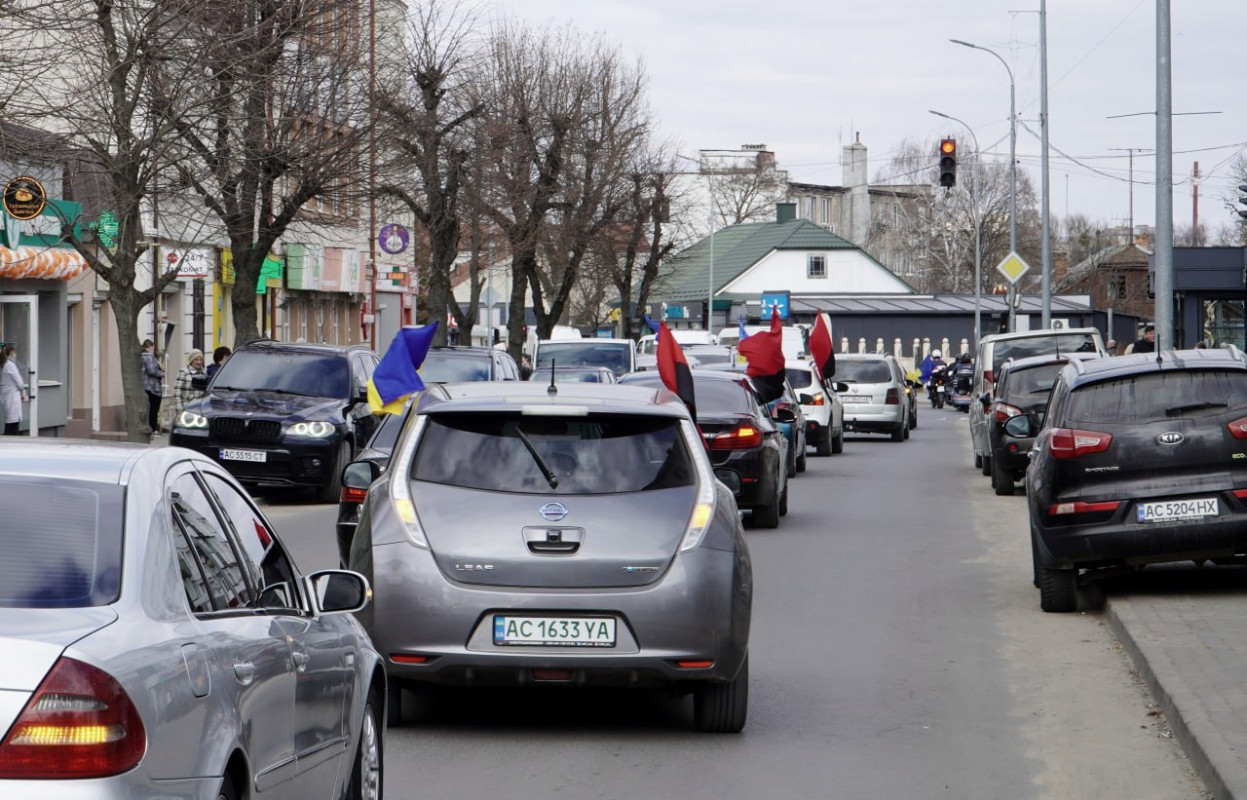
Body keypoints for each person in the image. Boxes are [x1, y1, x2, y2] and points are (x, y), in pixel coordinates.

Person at [0, 344, 29, 435]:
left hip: (7, 397)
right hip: (12, 398)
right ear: (12, 353)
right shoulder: (10, 365)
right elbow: (19, 381)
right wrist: (23, 393)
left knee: (9, 423)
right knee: (13, 425)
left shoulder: (3, 365)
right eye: (14, 352)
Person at [173, 349, 207, 422]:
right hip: (187, 408)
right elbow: (177, 392)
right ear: (191, 360)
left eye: (201, 360)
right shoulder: (184, 372)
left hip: (200, 410)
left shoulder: (204, 373)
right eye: (196, 360)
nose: (199, 362)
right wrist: (179, 410)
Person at [141, 339, 165, 435]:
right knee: (153, 409)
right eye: (153, 347)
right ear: (150, 347)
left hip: (146, 386)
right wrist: (162, 374)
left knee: (150, 409)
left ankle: (151, 428)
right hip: (152, 387)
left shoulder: (141, 356)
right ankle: (153, 429)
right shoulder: (148, 357)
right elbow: (152, 371)